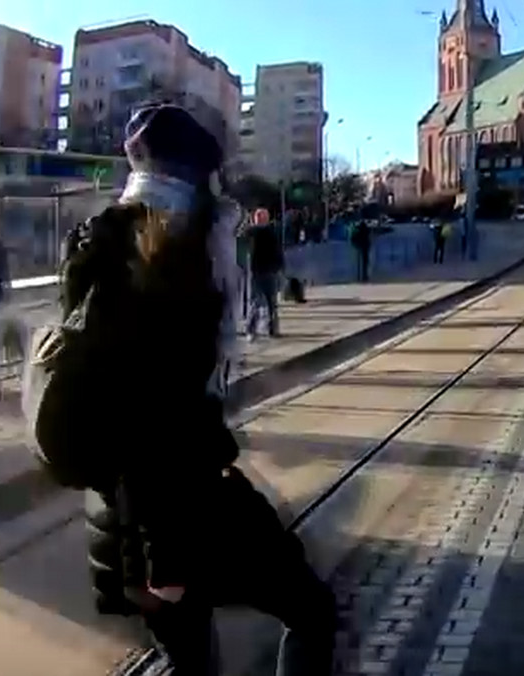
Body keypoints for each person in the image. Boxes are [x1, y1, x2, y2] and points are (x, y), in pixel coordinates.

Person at [77, 104, 335, 675]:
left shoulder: (103, 237)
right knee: (313, 611)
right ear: (194, 184)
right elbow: (145, 412)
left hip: (119, 508)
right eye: (216, 186)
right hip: (177, 514)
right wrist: (162, 558)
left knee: (191, 658)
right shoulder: (172, 260)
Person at [244, 209, 284, 340]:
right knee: (258, 301)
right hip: (258, 271)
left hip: (264, 270)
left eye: (262, 217)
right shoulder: (252, 232)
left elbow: (278, 251)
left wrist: (279, 266)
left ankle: (268, 329)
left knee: (268, 302)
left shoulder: (265, 232)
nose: (260, 219)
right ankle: (253, 329)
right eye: (259, 217)